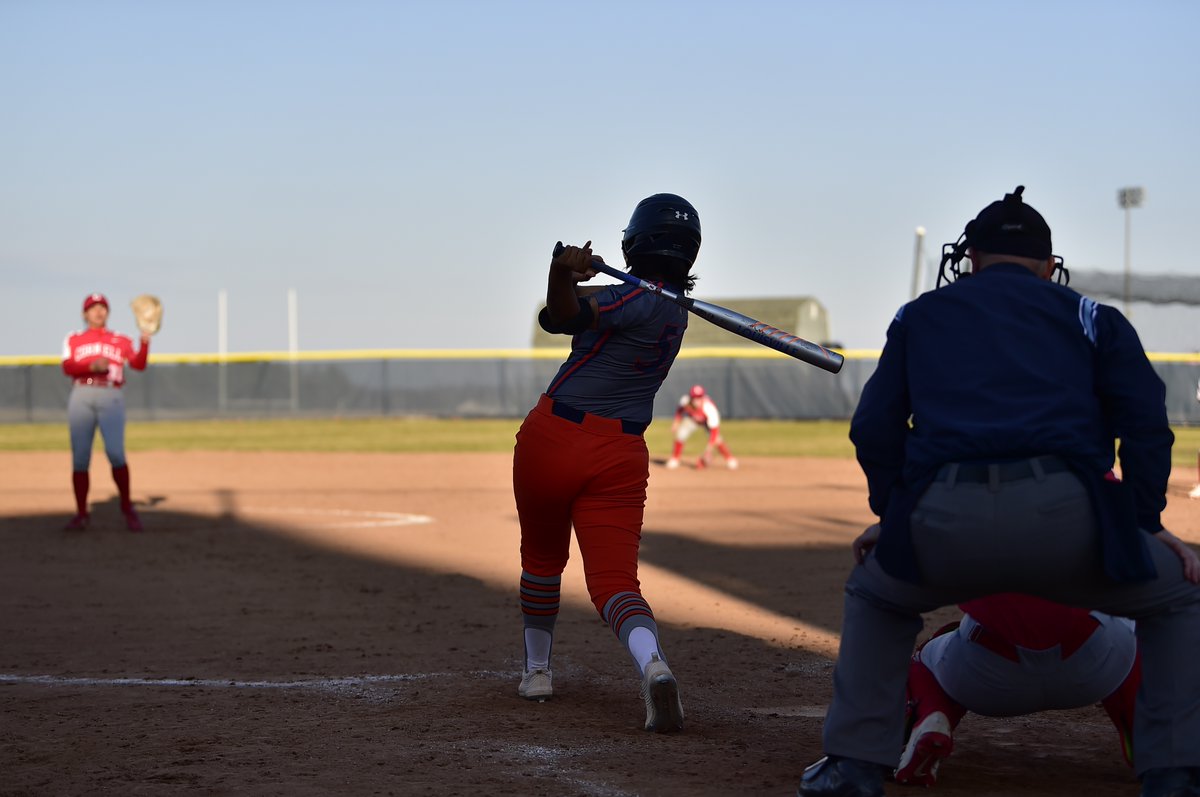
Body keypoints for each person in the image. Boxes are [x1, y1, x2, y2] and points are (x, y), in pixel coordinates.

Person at [797, 186, 1200, 797]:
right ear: (1048, 265)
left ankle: (854, 767)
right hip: (1068, 514)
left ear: (974, 259)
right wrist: (1146, 522)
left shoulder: (919, 315)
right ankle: (1172, 773)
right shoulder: (1092, 316)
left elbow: (874, 429)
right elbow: (1146, 425)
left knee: (876, 595)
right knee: (1178, 596)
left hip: (945, 512)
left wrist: (894, 513)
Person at [512, 193, 701, 733]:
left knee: (543, 559)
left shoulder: (632, 300)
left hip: (554, 438)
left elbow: (561, 316)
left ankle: (537, 672)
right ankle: (653, 663)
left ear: (635, 243)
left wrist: (560, 272)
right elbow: (567, 310)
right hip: (622, 454)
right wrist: (573, 278)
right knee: (616, 582)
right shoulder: (674, 309)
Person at [891, 592, 1140, 787]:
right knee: (1132, 627)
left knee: (929, 654)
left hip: (986, 674)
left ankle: (932, 718)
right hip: (1094, 666)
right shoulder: (1084, 537)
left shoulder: (965, 537)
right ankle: (1147, 742)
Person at [61, 293, 150, 531]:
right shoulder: (74, 338)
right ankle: (81, 513)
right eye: (93, 308)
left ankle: (127, 508)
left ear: (108, 312)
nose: (98, 311)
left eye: (102, 307)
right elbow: (67, 366)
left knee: (116, 453)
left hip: (111, 394)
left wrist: (144, 342)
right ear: (85, 314)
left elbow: (139, 364)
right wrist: (90, 365)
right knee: (80, 458)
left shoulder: (120, 339)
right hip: (81, 393)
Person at [666, 384, 738, 470]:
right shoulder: (685, 401)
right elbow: (680, 410)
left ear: (703, 397)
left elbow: (714, 431)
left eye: (699, 397)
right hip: (692, 419)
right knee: (680, 435)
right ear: (690, 397)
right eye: (694, 397)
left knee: (717, 440)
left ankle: (730, 459)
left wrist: (709, 449)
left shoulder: (709, 408)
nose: (697, 400)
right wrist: (676, 422)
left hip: (706, 422)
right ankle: (675, 459)